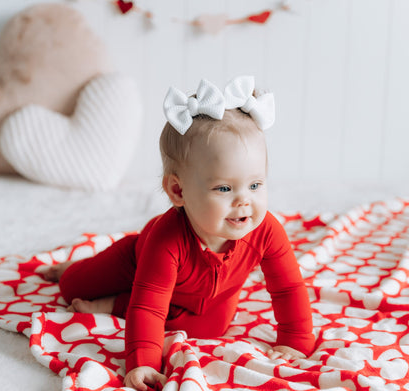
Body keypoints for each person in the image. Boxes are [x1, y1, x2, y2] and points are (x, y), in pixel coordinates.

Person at [43, 76, 315, 391]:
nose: (245, 201)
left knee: (211, 328)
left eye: (255, 185)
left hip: (211, 298)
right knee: (72, 286)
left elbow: (289, 288)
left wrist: (296, 339)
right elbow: (148, 307)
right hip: (137, 262)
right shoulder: (167, 239)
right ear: (178, 190)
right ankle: (76, 269)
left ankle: (115, 304)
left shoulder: (267, 231)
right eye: (224, 188)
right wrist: (143, 363)